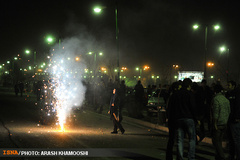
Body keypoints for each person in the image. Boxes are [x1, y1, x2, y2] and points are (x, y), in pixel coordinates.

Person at [169, 78, 197, 160]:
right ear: (189, 85)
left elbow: (172, 108)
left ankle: (180, 157)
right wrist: (196, 119)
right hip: (189, 118)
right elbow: (193, 107)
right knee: (192, 139)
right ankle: (191, 157)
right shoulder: (190, 94)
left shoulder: (176, 94)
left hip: (178, 119)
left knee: (179, 140)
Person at [211, 84, 230, 160]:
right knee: (220, 140)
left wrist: (214, 123)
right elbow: (229, 111)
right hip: (225, 122)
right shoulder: (226, 99)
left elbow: (215, 112)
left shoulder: (216, 99)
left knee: (216, 141)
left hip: (218, 123)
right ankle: (218, 156)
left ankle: (222, 156)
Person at [166, 81, 181, 160]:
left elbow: (168, 109)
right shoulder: (176, 96)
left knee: (171, 139)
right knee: (177, 139)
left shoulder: (172, 96)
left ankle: (169, 156)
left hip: (172, 120)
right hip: (175, 120)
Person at [226, 80, 240, 160]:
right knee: (231, 139)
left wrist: (237, 117)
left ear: (233, 86)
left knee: (236, 139)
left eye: (229, 85)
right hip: (229, 119)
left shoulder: (237, 93)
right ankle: (231, 155)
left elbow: (237, 106)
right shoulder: (228, 94)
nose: (228, 86)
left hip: (235, 120)